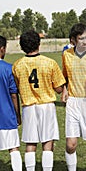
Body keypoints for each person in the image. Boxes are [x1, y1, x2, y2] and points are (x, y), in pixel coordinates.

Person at [12, 30, 66, 170]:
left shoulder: (17, 65)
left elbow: (17, 87)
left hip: (28, 107)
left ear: (22, 46)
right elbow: (59, 88)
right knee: (48, 142)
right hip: (46, 105)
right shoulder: (50, 63)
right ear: (39, 44)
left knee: (31, 143)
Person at [61, 23, 86, 171]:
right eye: (81, 38)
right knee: (71, 144)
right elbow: (64, 76)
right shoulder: (67, 54)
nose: (85, 41)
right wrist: (64, 90)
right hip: (73, 102)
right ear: (73, 40)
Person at [0, 35, 22, 171]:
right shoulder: (9, 69)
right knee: (13, 148)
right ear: (2, 49)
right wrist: (17, 114)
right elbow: (14, 95)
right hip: (7, 115)